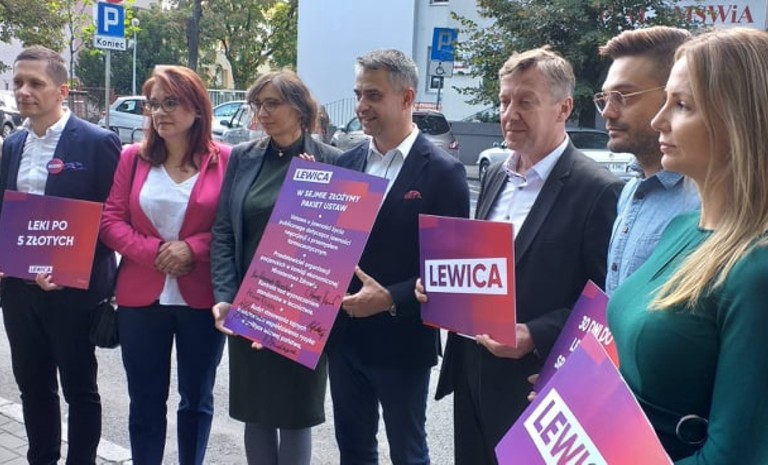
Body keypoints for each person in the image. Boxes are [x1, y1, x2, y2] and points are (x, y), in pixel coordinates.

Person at [423, 47, 621, 465]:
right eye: (504, 100)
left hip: (534, 382)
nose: (509, 113)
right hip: (471, 372)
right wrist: (442, 286)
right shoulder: (496, 173)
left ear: (564, 108)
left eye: (526, 101)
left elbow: (606, 303)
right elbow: (484, 266)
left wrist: (536, 332)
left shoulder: (597, 190)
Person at [608, 28, 768, 464]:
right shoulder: (679, 229)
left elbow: (733, 457)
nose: (659, 121)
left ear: (739, 120)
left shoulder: (756, 270)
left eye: (682, 105)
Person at [329, 49, 469, 465]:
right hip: (344, 339)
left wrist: (391, 298)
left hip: (403, 343)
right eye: (359, 94)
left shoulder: (444, 173)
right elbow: (328, 246)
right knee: (353, 450)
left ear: (407, 98)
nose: (361, 106)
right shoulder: (346, 164)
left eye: (373, 95)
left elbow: (449, 272)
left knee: (408, 453)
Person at [99, 66, 230, 465]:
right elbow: (110, 221)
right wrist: (156, 252)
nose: (159, 112)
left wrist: (193, 248)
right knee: (145, 401)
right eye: (153, 104)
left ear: (197, 107)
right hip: (141, 299)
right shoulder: (133, 158)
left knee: (196, 399)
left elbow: (234, 226)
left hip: (202, 299)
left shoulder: (226, 160)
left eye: (170, 102)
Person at [210, 69, 341, 465]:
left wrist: (319, 189)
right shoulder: (243, 157)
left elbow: (341, 241)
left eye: (272, 104)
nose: (262, 113)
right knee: (256, 411)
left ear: (299, 109)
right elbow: (224, 231)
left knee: (296, 413)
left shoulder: (332, 161)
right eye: (258, 105)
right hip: (251, 303)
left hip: (303, 309)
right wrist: (225, 296)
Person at [0, 46, 120, 465]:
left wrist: (69, 269)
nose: (24, 91)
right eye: (18, 82)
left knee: (80, 391)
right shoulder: (12, 144)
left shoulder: (98, 142)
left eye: (36, 83)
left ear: (62, 91)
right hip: (19, 292)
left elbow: (112, 219)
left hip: (73, 292)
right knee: (33, 388)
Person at [596, 26, 699, 295]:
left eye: (623, 96)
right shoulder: (630, 191)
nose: (607, 112)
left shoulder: (706, 204)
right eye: (605, 98)